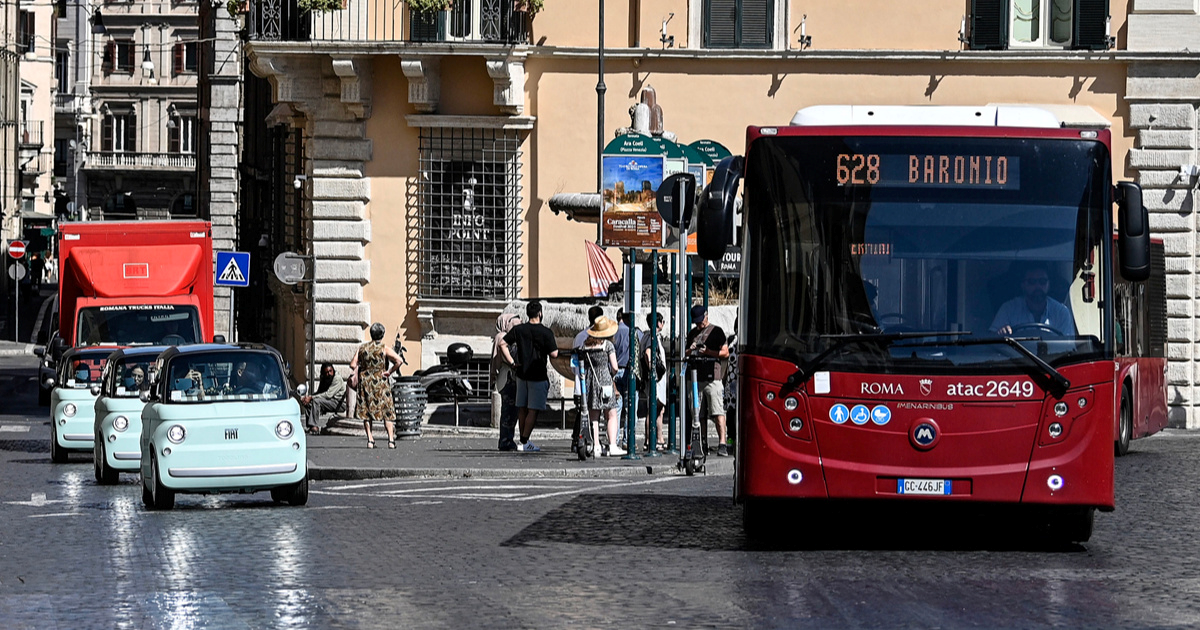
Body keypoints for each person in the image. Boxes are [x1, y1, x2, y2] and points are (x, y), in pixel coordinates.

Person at [499, 301, 559, 452]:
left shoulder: (519, 329)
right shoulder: (546, 332)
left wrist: (512, 362)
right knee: (533, 410)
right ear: (540, 313)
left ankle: (523, 440)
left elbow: (502, 344)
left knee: (522, 408)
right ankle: (525, 441)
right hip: (537, 375)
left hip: (521, 374)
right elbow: (554, 353)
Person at [686, 305, 731, 457]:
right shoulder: (692, 334)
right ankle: (702, 443)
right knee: (698, 414)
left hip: (713, 377)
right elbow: (685, 352)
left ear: (706, 316)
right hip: (695, 378)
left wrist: (708, 352)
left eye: (701, 321)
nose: (699, 325)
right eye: (697, 323)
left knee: (717, 410)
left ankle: (722, 443)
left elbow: (725, 352)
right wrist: (692, 349)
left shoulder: (716, 331)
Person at [350, 323, 403, 449]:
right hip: (381, 382)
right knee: (387, 411)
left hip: (365, 383)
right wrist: (389, 372)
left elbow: (353, 364)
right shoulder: (384, 348)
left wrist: (361, 369)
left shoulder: (362, 348)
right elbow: (399, 361)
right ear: (382, 335)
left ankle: (370, 440)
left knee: (366, 411)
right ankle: (390, 440)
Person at [578, 316, 624, 457]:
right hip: (605, 380)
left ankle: (596, 445)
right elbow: (615, 367)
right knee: (611, 414)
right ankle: (612, 445)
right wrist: (610, 374)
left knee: (594, 415)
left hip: (590, 381)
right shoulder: (607, 346)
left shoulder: (585, 346)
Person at [990, 265, 1076, 336]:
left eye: (1042, 281)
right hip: (1015, 356)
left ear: (1049, 285)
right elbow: (992, 341)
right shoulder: (1008, 309)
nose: (1037, 286)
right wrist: (1000, 333)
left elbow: (1068, 346)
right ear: (1023, 285)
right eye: (1032, 282)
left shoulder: (1061, 312)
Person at [570, 305, 605, 452]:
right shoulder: (602, 339)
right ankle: (595, 440)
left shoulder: (579, 336)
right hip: (597, 383)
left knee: (581, 412)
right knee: (595, 412)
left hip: (580, 382)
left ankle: (577, 439)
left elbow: (573, 364)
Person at [492, 313, 523, 451]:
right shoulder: (501, 337)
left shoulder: (514, 336)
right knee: (508, 410)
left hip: (509, 376)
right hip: (507, 377)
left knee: (512, 411)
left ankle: (508, 439)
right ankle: (505, 440)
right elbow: (495, 360)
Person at [640, 312, 668, 451]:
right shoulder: (652, 337)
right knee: (654, 409)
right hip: (655, 378)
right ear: (658, 323)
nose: (663, 324)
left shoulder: (646, 335)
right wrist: (652, 369)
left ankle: (657, 438)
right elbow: (648, 353)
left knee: (657, 409)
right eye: (662, 321)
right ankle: (653, 439)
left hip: (653, 378)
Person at [301, 362, 346, 435]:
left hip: (339, 403)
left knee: (316, 401)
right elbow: (320, 392)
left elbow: (328, 395)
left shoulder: (337, 379)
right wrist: (307, 398)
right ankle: (310, 426)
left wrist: (311, 397)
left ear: (333, 370)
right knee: (310, 402)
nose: (329, 374)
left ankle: (314, 426)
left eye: (330, 371)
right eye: (327, 372)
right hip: (330, 401)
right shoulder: (324, 378)